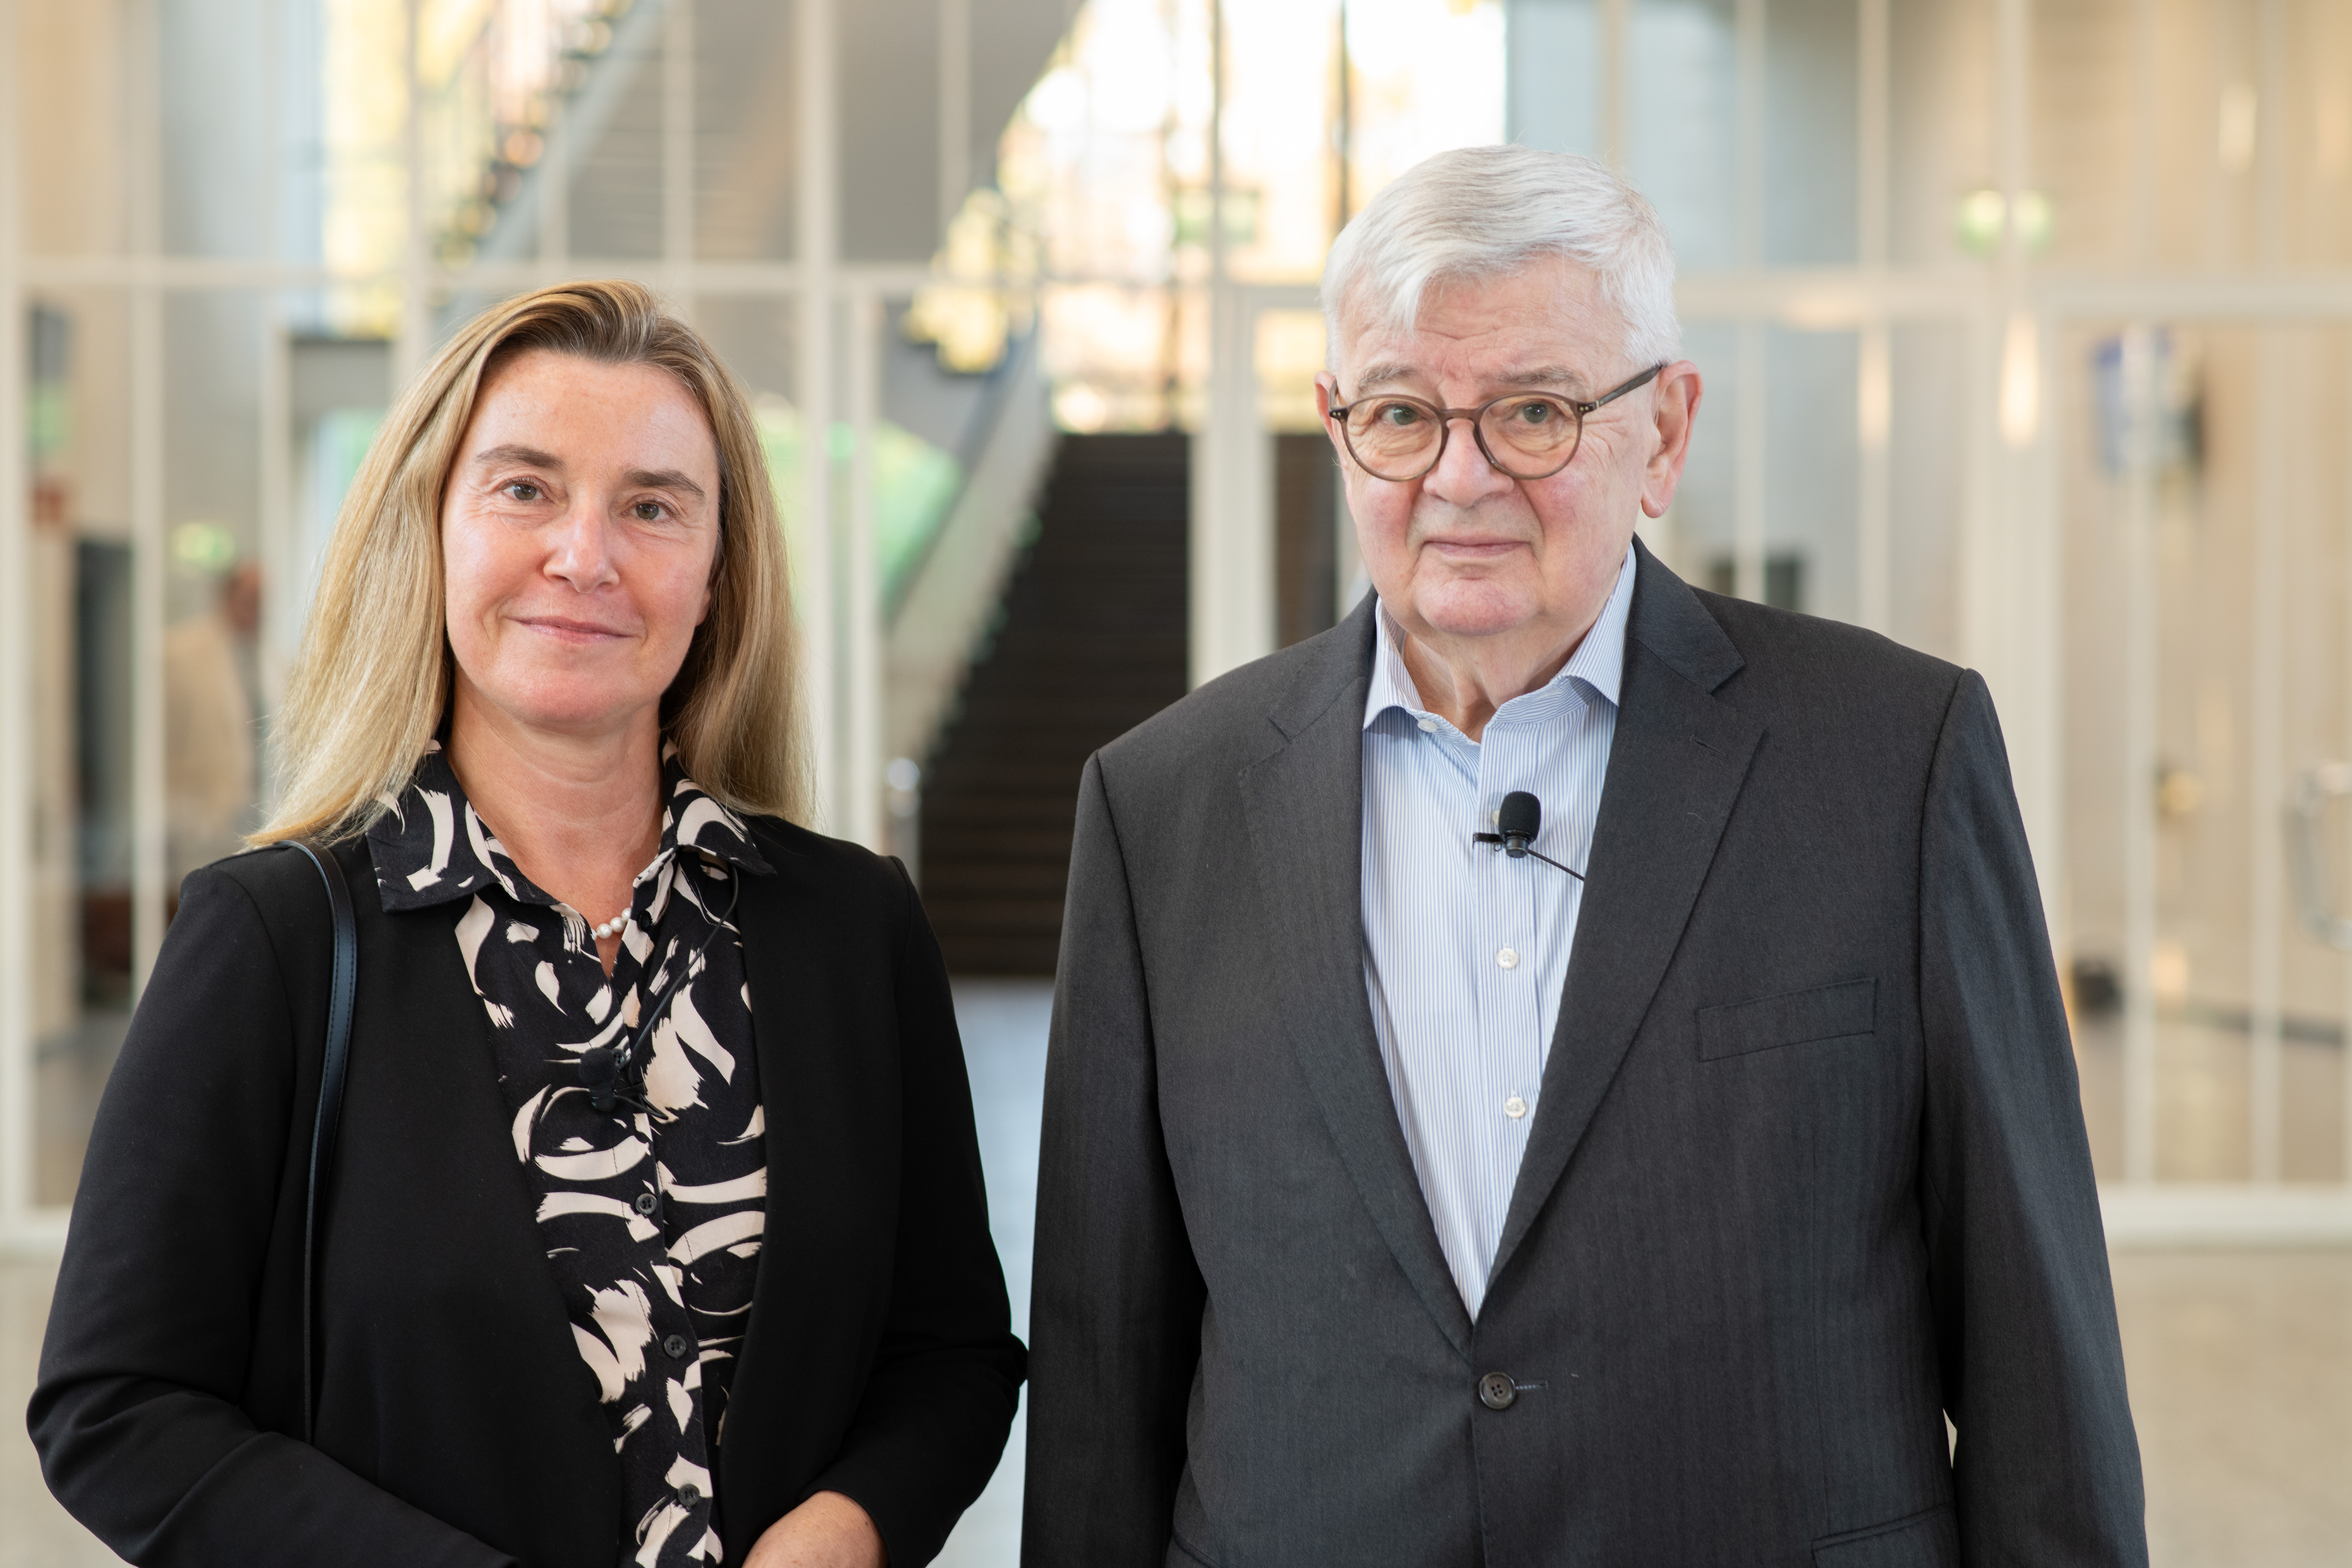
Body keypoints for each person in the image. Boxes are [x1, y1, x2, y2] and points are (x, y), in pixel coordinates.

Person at [1023, 147, 2144, 1565]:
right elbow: (1099, 1374)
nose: (1461, 475)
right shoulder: (1162, 803)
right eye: (1402, 413)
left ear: (1665, 433)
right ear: (1336, 427)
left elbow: (2037, 1343)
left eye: (1536, 411)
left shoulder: (1893, 758)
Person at [32, 280, 1024, 1568]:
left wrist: (846, 1531)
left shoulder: (850, 927)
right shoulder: (272, 937)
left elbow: (949, 1348)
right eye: (525, 488)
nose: (585, 555)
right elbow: (116, 1405)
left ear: (718, 574)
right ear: (432, 529)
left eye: (653, 506)